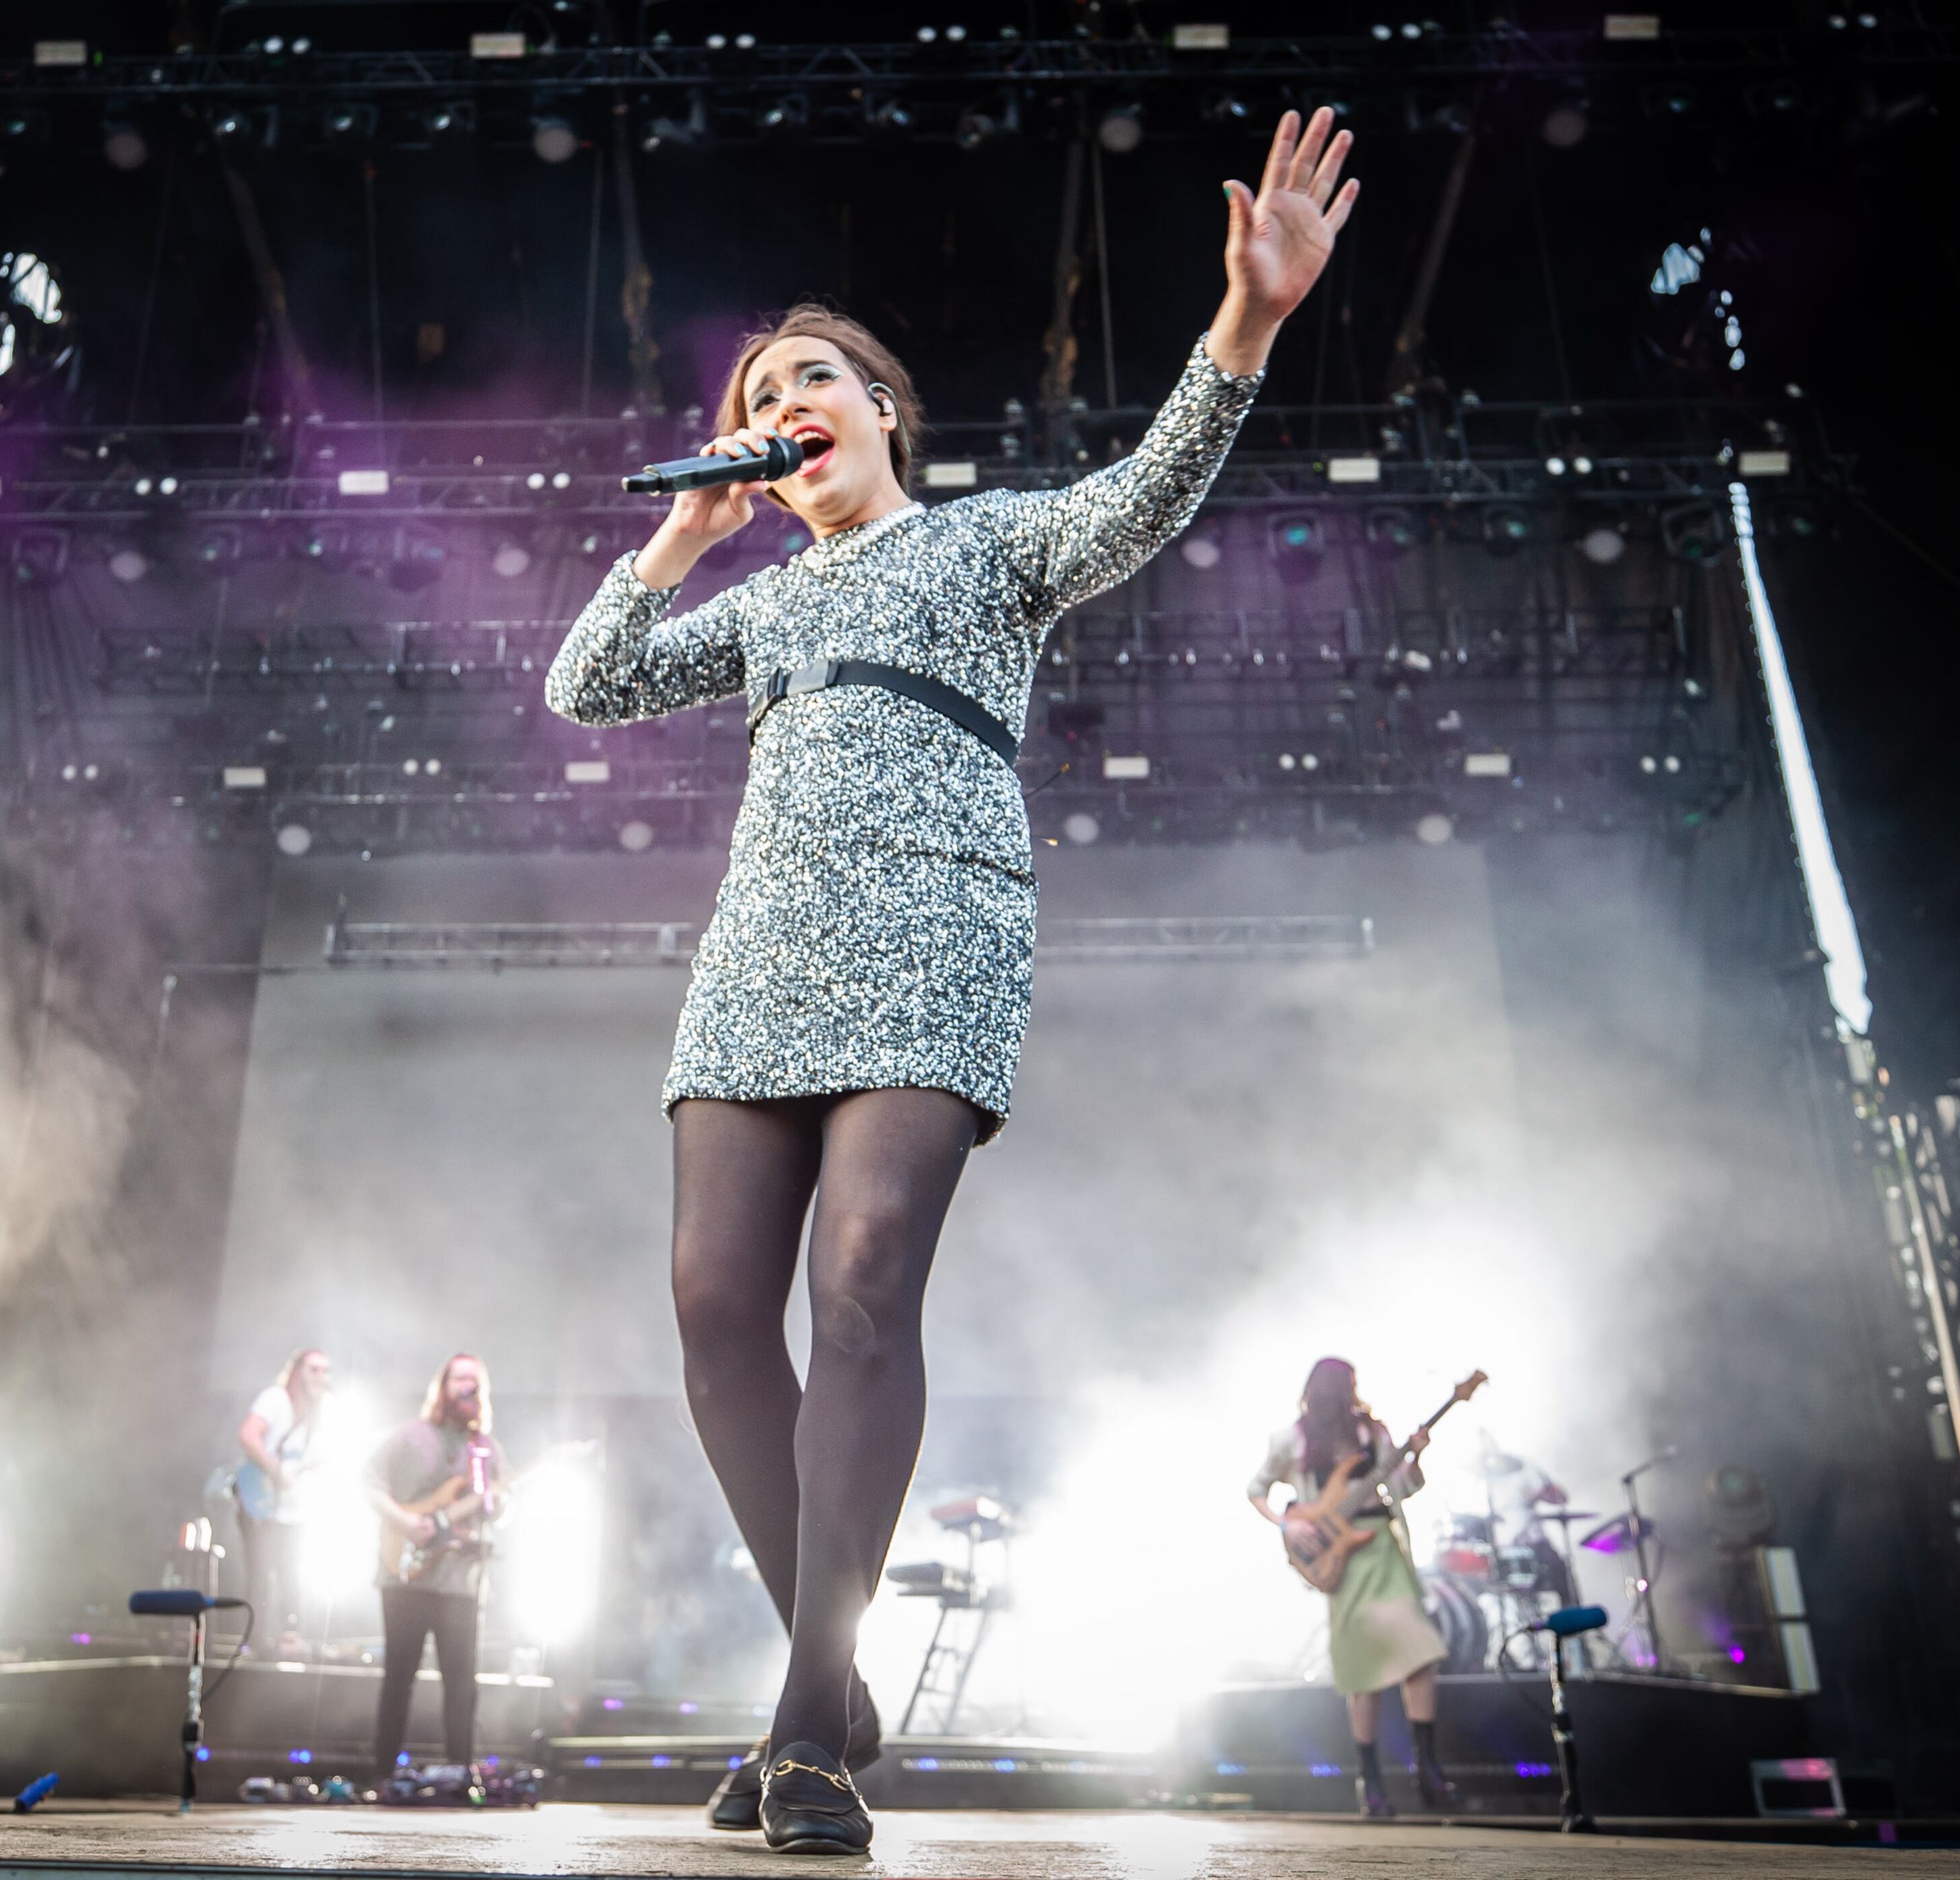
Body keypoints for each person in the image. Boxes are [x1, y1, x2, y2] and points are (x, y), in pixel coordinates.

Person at [546, 110, 1359, 1853]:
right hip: (758, 958)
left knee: (856, 1289)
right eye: (761, 394)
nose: (787, 402)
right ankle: (828, 1686)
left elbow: (1146, 493)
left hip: (933, 936)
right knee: (709, 1314)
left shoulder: (983, 547)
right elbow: (586, 686)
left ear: (881, 412)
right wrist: (681, 542)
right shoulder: (761, 606)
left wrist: (1249, 323)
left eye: (815, 375)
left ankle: (805, 1734)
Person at [1247, 1358, 1453, 1817]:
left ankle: (1428, 1767)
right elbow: (1255, 1488)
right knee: (1364, 1673)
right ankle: (1371, 1783)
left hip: (1381, 1547)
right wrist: (1286, 1524)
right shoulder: (1292, 1439)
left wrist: (1416, 1454)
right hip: (1340, 1561)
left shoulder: (1371, 1432)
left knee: (1420, 1651)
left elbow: (1400, 1486)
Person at [365, 1352, 500, 1781]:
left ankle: (461, 1773)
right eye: (461, 1378)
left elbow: (498, 1507)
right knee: (399, 1677)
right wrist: (407, 1522)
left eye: (476, 1380)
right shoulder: (410, 1436)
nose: (469, 1386)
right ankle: (384, 1774)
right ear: (443, 1386)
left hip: (459, 1581)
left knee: (461, 1680)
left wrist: (499, 1505)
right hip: (404, 1573)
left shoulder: (485, 1449)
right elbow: (368, 1482)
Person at [235, 1347, 329, 1657]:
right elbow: (249, 1435)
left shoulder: (321, 1415)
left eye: (324, 1370)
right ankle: (257, 1640)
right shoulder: (275, 1400)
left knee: (293, 1575)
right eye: (313, 1369)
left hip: (295, 1511)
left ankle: (290, 1637)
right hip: (262, 1503)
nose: (320, 1376)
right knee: (261, 1574)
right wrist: (276, 1470)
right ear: (297, 1370)